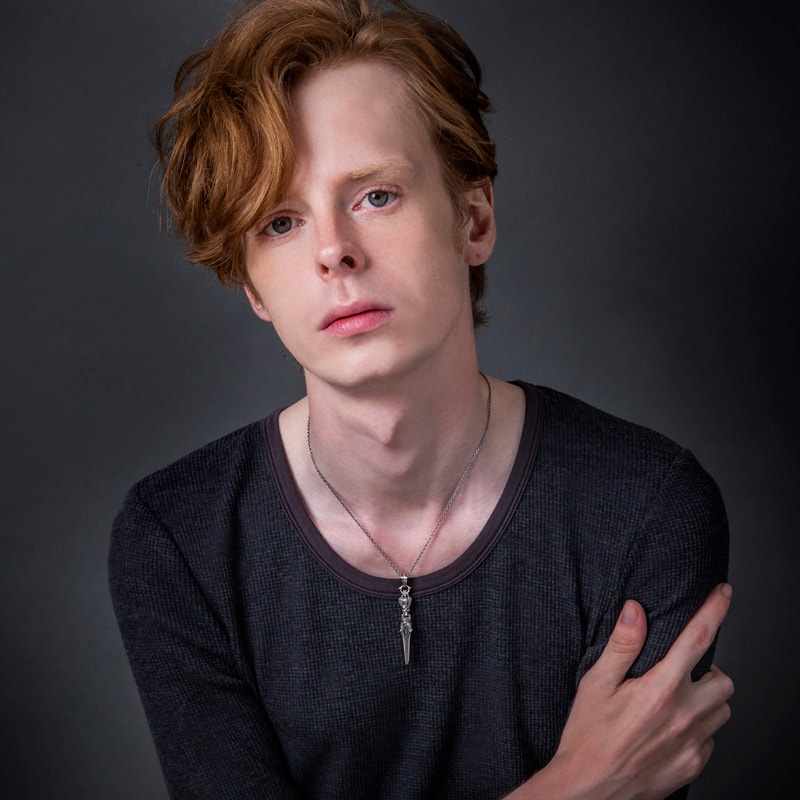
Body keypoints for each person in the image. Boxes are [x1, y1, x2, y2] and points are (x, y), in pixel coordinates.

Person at [109, 1, 733, 798]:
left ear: (474, 220)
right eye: (279, 222)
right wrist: (573, 787)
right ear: (253, 289)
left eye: (375, 195)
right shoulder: (178, 538)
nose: (333, 251)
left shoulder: (646, 503)